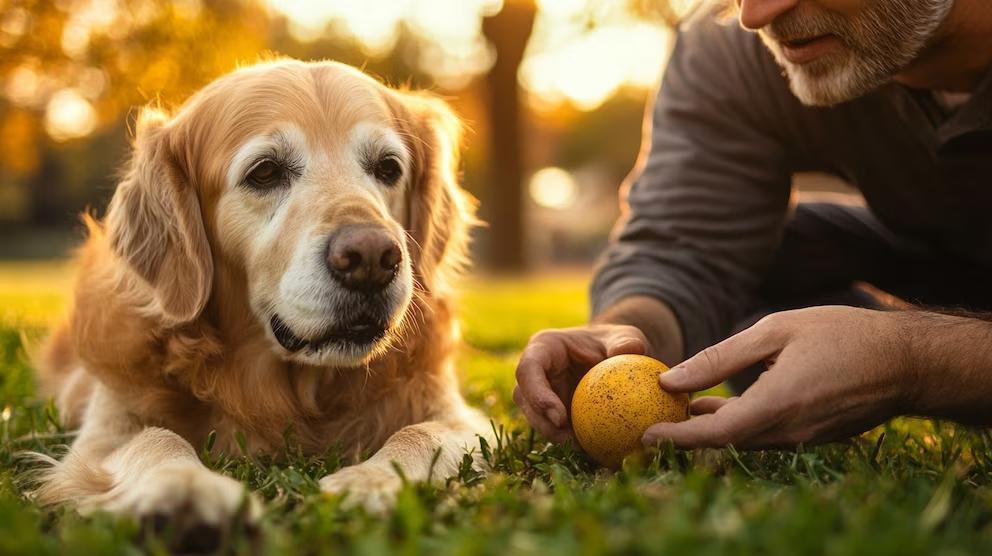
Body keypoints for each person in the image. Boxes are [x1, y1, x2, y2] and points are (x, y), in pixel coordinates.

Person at [513, 0, 992, 450]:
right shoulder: (734, 46)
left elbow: (912, 359)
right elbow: (686, 251)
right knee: (780, 255)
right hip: (949, 254)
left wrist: (912, 359)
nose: (755, 15)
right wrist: (624, 336)